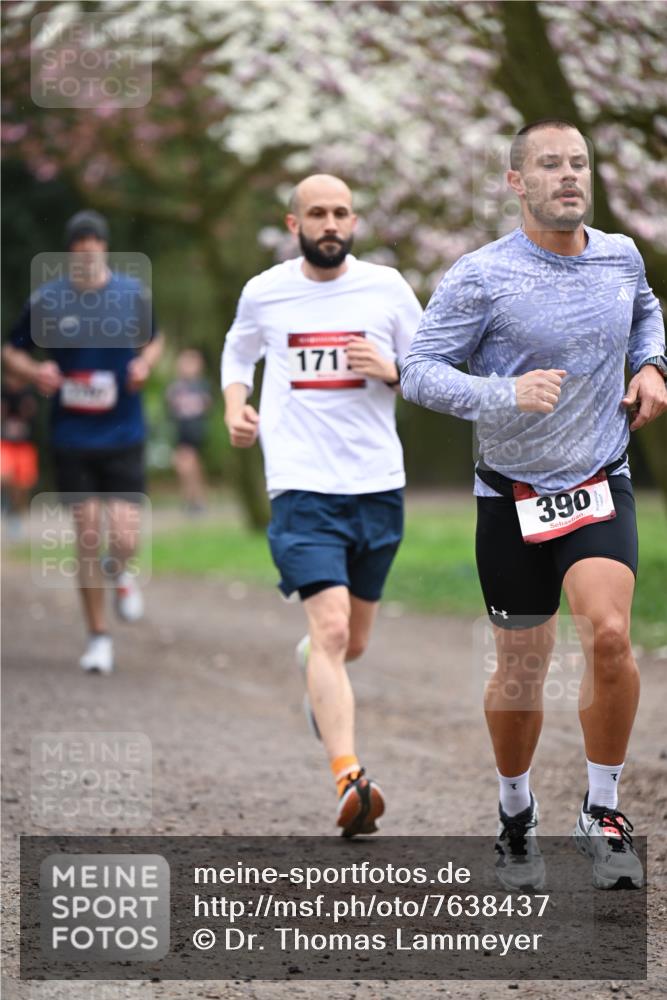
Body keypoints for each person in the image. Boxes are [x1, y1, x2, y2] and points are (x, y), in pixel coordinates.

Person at [402, 120, 666, 889]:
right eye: (548, 164)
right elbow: (417, 370)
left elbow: (645, 309)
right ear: (516, 181)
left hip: (597, 479)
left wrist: (651, 366)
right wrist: (502, 392)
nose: (567, 176)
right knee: (521, 669)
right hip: (511, 496)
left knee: (610, 635)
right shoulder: (479, 276)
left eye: (578, 163)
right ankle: (515, 815)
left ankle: (603, 810)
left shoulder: (619, 255)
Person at [222, 174, 423, 837]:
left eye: (340, 212)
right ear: (293, 224)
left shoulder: (387, 288)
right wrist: (235, 408)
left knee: (349, 643)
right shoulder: (266, 291)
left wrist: (388, 368)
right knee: (332, 628)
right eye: (317, 213)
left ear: (354, 221)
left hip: (375, 483)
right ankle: (350, 780)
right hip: (301, 485)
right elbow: (237, 351)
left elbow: (427, 370)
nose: (329, 222)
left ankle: (315, 668)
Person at [3, 210, 163, 674]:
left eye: (96, 241)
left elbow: (155, 340)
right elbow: (11, 349)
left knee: (125, 537)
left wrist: (145, 364)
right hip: (72, 433)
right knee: (89, 533)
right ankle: (98, 638)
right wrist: (36, 371)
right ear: (70, 251)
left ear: (105, 248)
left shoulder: (132, 295)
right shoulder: (48, 300)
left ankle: (123, 572)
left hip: (124, 431)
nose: (88, 248)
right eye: (80, 242)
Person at [165, 348, 212, 514]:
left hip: (196, 432)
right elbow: (170, 411)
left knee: (189, 464)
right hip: (180, 432)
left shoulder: (202, 386)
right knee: (185, 466)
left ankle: (196, 500)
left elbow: (207, 407)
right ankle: (190, 500)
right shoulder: (175, 387)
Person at [1, 371, 39, 537]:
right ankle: (5, 502)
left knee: (22, 486)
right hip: (5, 444)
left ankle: (14, 514)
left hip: (24, 446)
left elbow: (33, 415)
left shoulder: (28, 394)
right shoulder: (3, 393)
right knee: (3, 476)